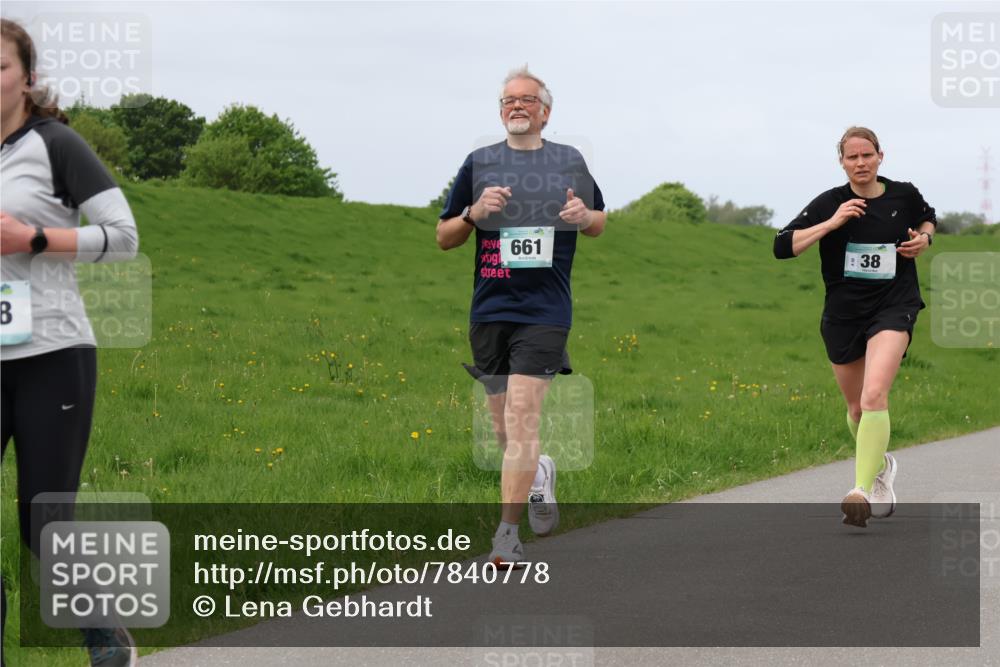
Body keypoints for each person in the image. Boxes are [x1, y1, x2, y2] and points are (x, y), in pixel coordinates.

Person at [1, 18, 139, 666]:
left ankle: (104, 632)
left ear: (27, 77)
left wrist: (33, 240)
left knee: (42, 522)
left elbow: (123, 235)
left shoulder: (56, 145)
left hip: (51, 355)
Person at [436, 67, 606, 565]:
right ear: (500, 111)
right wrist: (473, 214)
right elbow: (444, 236)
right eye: (509, 100)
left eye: (528, 100)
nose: (517, 106)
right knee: (505, 432)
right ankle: (540, 473)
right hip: (490, 309)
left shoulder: (568, 160)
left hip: (545, 310)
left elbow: (597, 221)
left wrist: (582, 218)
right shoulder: (480, 163)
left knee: (522, 418)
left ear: (545, 112)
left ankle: (506, 536)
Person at [773, 126, 936, 528]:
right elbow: (782, 246)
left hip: (894, 306)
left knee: (874, 394)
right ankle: (880, 468)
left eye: (868, 155)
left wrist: (924, 240)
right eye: (852, 157)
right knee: (855, 407)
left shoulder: (904, 194)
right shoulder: (830, 202)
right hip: (844, 314)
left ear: (881, 156)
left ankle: (860, 489)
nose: (861, 163)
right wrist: (831, 223)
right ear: (842, 162)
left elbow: (928, 218)